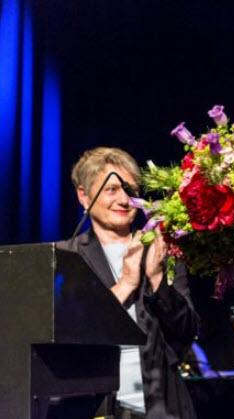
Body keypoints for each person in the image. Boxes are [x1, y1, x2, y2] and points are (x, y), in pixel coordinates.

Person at [57, 147, 199, 419]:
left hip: (163, 407)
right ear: (84, 197)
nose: (124, 200)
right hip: (93, 408)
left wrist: (157, 280)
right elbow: (66, 335)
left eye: (131, 192)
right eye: (111, 189)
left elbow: (188, 330)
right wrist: (125, 284)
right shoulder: (66, 257)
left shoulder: (162, 250)